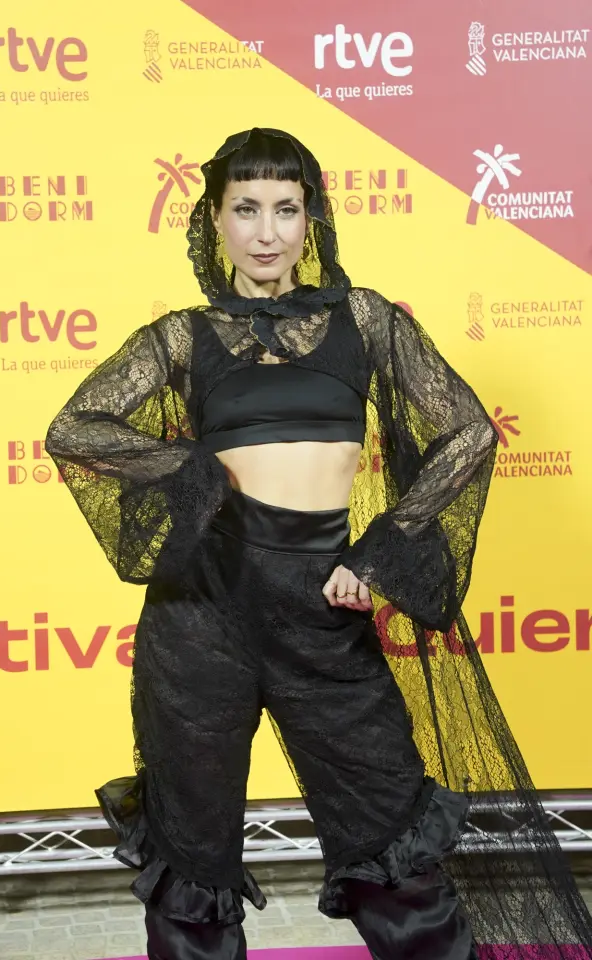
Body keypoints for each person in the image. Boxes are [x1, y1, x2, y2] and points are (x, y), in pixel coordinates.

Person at [45, 128, 592, 960]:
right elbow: (71, 427)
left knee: (396, 860)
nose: (266, 231)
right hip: (198, 626)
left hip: (321, 616)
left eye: (285, 209)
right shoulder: (183, 337)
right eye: (247, 209)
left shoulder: (363, 319)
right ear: (216, 223)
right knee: (193, 871)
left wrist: (378, 554)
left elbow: (467, 434)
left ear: (311, 221)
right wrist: (194, 468)